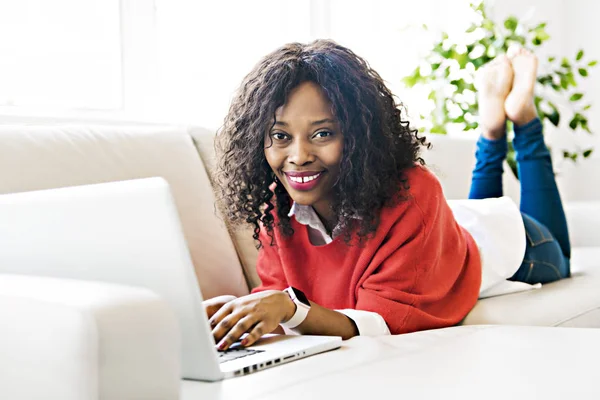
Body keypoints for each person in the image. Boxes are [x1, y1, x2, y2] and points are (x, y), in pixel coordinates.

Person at [204, 40, 570, 351]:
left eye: (322, 134)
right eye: (281, 136)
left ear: (359, 137)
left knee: (564, 254)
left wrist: (289, 309)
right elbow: (281, 296)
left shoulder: (412, 193)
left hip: (513, 242)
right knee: (469, 211)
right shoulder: (277, 206)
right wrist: (241, 311)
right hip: (443, 235)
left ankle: (522, 120)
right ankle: (491, 128)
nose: (298, 157)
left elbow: (386, 322)